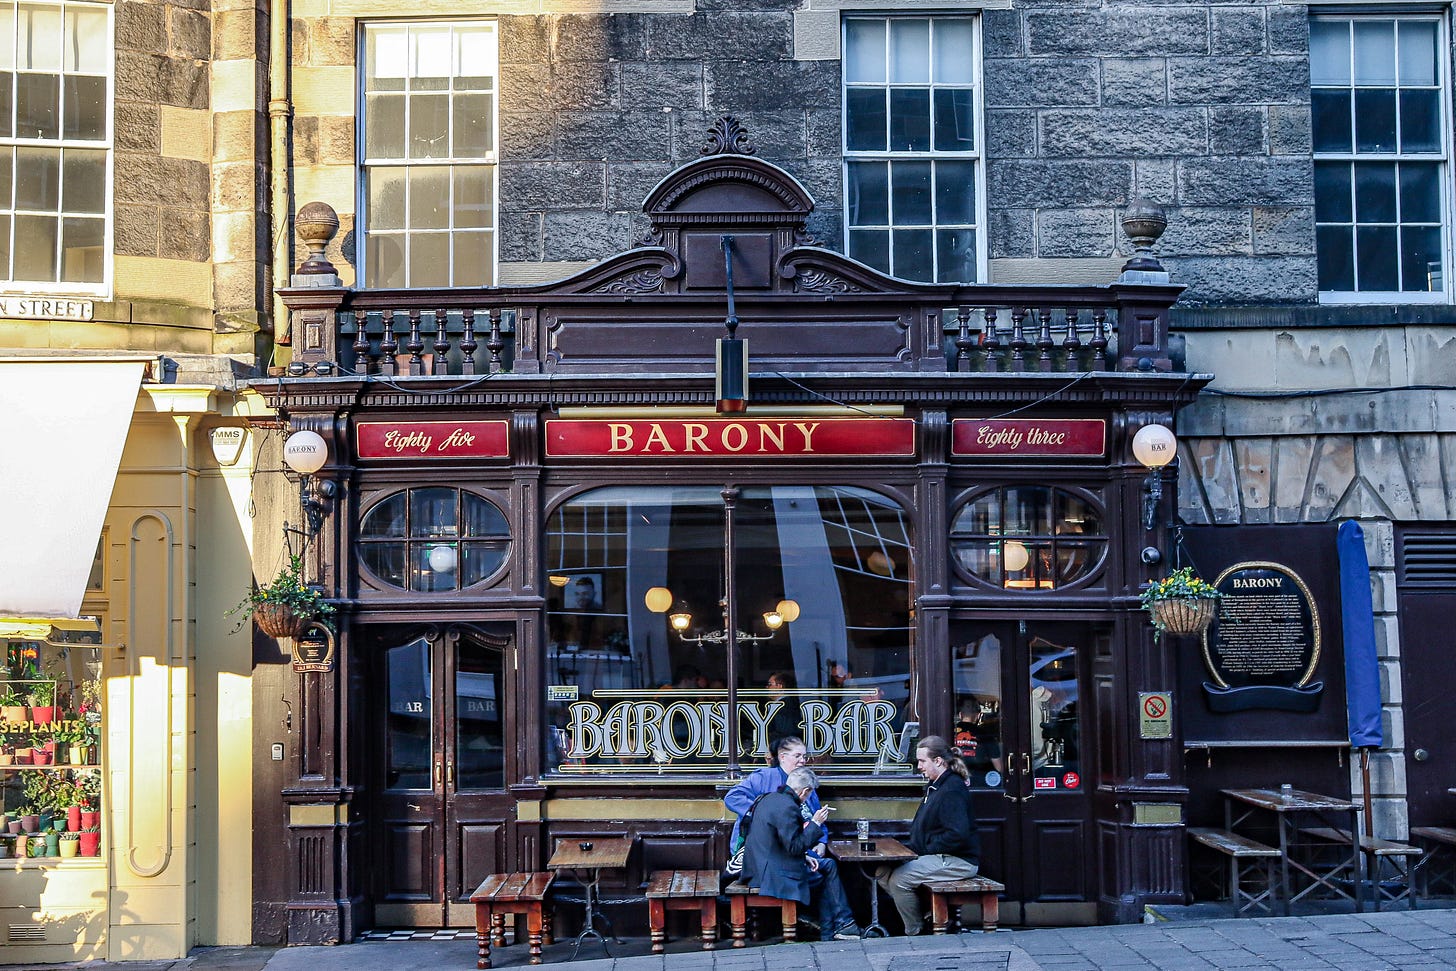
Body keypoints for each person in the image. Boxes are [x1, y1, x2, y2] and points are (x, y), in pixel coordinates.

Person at [875, 734, 981, 935]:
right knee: (882, 871)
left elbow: (957, 834)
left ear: (938, 761)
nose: (919, 766)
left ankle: (915, 931)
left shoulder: (951, 789)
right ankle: (927, 914)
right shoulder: (935, 787)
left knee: (899, 879)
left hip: (959, 860)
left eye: (922, 761)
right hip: (935, 855)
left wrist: (924, 850)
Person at [740, 766, 861, 941]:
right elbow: (795, 847)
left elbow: (777, 840)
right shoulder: (789, 807)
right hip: (771, 875)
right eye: (809, 794)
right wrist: (815, 823)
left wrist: (805, 856)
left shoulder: (768, 798)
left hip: (758, 867)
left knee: (826, 866)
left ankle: (840, 927)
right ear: (805, 791)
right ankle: (839, 927)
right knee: (826, 871)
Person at [724, 736, 825, 856]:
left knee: (827, 865)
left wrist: (821, 842)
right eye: (797, 756)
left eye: (804, 756)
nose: (803, 760)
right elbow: (732, 798)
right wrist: (761, 812)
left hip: (799, 847)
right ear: (782, 757)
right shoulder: (763, 777)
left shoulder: (806, 781)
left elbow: (817, 815)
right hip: (764, 850)